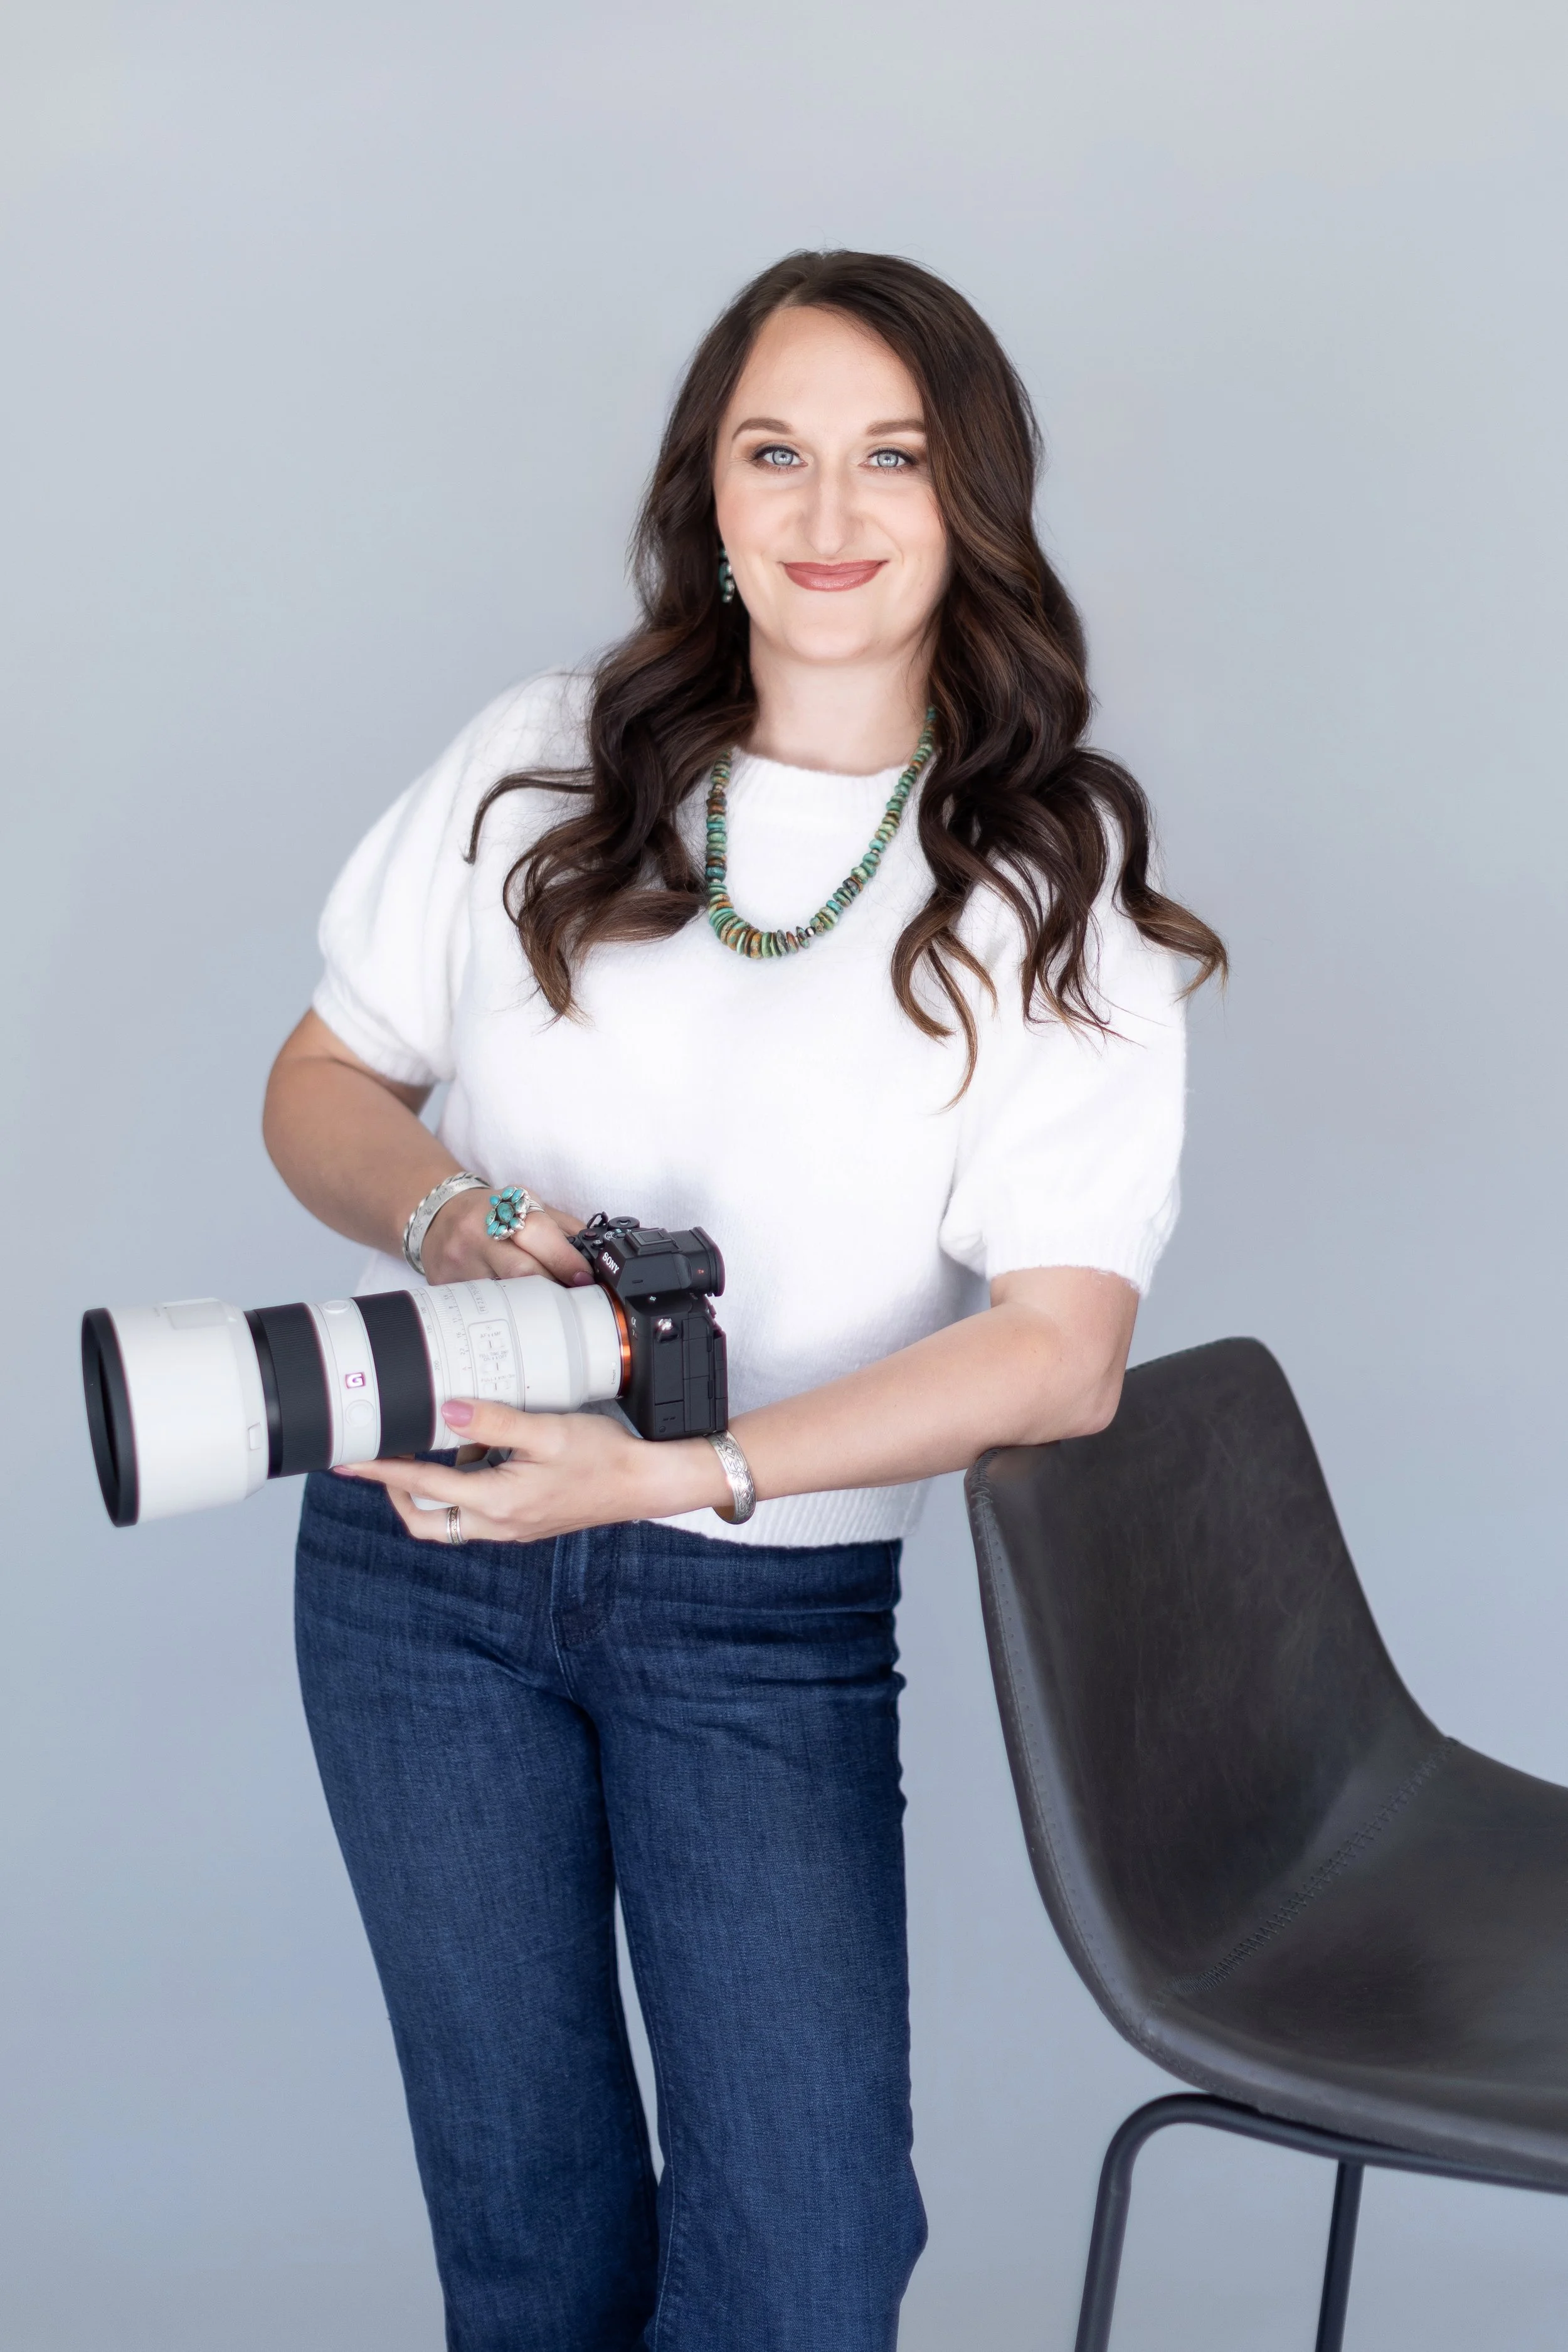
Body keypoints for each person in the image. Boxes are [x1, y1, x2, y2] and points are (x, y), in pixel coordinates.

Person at [263, 248, 1224, 2352]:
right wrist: (445, 1212)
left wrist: (670, 1473)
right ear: (706, 496)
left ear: (969, 501)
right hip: (418, 1553)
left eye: (889, 458)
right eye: (769, 454)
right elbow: (324, 1083)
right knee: (528, 2237)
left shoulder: (1049, 889)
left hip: (750, 1606)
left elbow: (1059, 1355)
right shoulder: (543, 756)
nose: (823, 515)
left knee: (798, 2260)